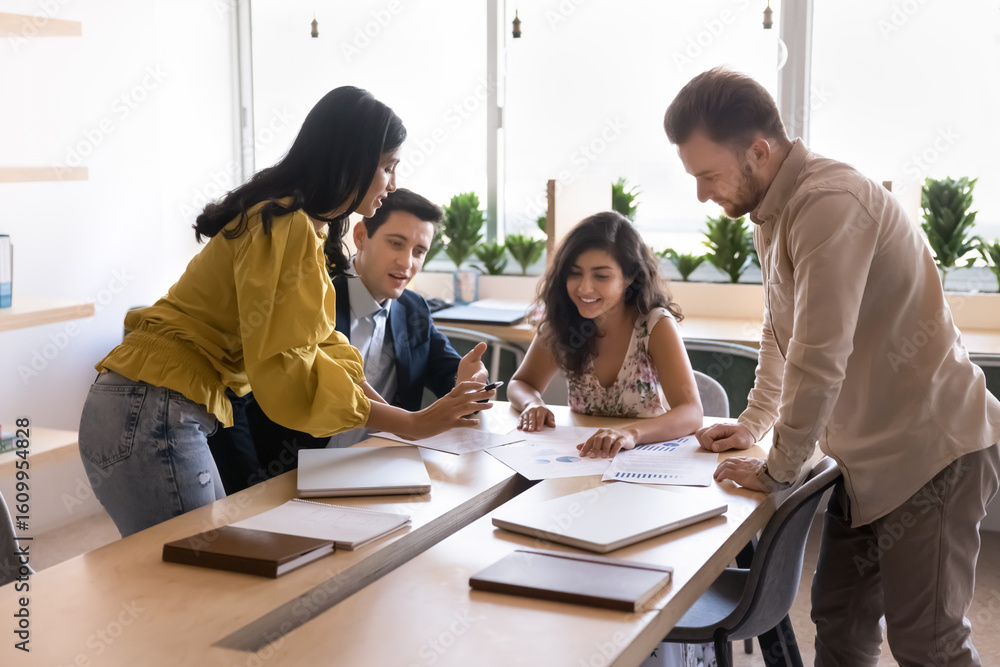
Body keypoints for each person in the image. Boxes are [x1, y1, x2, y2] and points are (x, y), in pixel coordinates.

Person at [664, 67, 1000, 666]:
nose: (701, 195)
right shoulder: (773, 210)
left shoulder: (828, 204)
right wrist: (755, 424)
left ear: (759, 152)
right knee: (840, 622)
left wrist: (778, 469)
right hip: (862, 457)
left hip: (929, 454)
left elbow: (820, 355)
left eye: (708, 175)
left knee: (928, 643)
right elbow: (779, 330)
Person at [78, 87, 494, 538]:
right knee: (195, 576)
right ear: (351, 158)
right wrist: (409, 423)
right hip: (154, 408)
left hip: (149, 405)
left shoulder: (301, 225)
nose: (392, 183)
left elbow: (324, 353)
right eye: (387, 166)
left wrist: (407, 420)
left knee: (191, 578)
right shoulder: (283, 221)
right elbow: (289, 366)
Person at [240, 188, 491, 476]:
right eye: (396, 244)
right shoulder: (312, 297)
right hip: (294, 471)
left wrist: (470, 384)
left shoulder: (413, 308)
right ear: (360, 237)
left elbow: (451, 375)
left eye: (419, 251)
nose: (407, 263)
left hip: (381, 466)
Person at [507, 211, 703, 457]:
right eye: (575, 272)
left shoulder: (655, 324)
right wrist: (532, 403)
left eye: (601, 276)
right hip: (583, 459)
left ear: (629, 277)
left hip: (644, 459)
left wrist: (630, 434)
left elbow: (691, 412)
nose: (584, 287)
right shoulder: (561, 321)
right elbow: (521, 383)